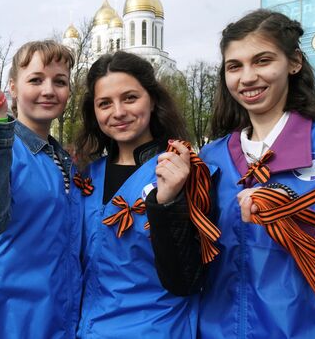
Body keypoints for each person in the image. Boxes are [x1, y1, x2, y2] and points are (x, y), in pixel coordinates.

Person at [199, 9, 315, 338]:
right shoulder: (212, 157)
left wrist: (292, 214)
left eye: (262, 61)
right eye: (234, 66)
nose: (247, 77)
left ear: (294, 62)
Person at [74, 51, 214, 338]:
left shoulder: (184, 170)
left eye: (130, 98)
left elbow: (186, 278)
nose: (118, 112)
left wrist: (169, 205)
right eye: (105, 103)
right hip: (86, 328)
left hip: (155, 329)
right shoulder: (86, 176)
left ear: (152, 100)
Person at [0, 40, 83, 338]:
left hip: (61, 317)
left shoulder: (63, 158)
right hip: (9, 321)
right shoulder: (2, 147)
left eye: (60, 81)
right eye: (36, 80)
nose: (49, 90)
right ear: (12, 87)